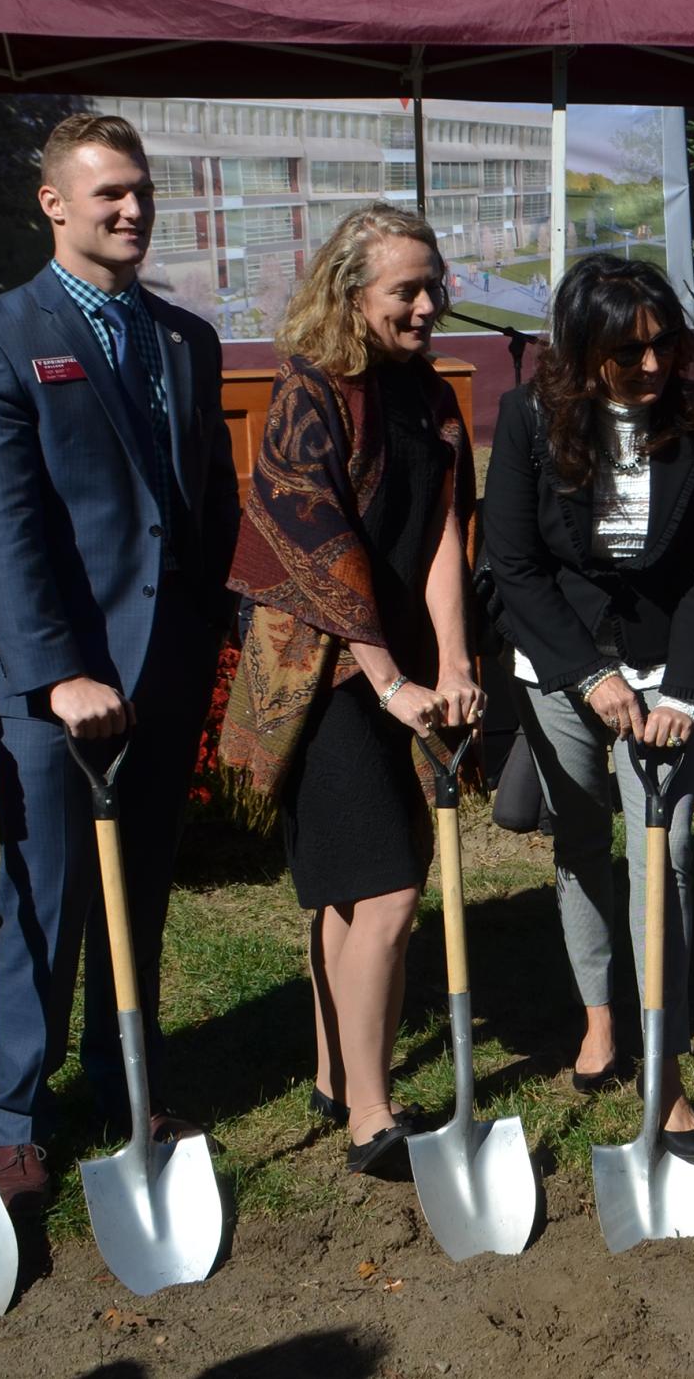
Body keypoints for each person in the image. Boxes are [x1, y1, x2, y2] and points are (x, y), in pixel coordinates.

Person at [0, 113, 240, 1215]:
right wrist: (61, 668)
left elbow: (204, 496)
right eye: (107, 192)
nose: (131, 210)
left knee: (137, 891)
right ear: (52, 205)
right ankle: (17, 1114)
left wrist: (205, 630)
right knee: (48, 898)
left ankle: (124, 1073)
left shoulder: (182, 338)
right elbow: (3, 524)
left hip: (160, 670)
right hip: (56, 683)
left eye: (142, 191)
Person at [221, 204, 483, 1176]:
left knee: (353, 886)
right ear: (350, 293)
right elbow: (316, 547)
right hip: (326, 673)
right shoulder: (308, 393)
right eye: (405, 291)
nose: (427, 305)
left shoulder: (429, 396)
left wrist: (451, 667)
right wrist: (385, 681)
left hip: (406, 668)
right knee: (382, 889)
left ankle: (336, 1075)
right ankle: (373, 1117)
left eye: (433, 285)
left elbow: (447, 536)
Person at [483, 255, 694, 1152]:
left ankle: (662, 1059)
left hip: (667, 668)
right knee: (583, 843)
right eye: (630, 354)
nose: (656, 366)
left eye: (665, 344)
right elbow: (513, 562)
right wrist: (590, 675)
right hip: (560, 665)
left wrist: (688, 689)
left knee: (668, 854)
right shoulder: (529, 421)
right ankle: (600, 1016)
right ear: (584, 354)